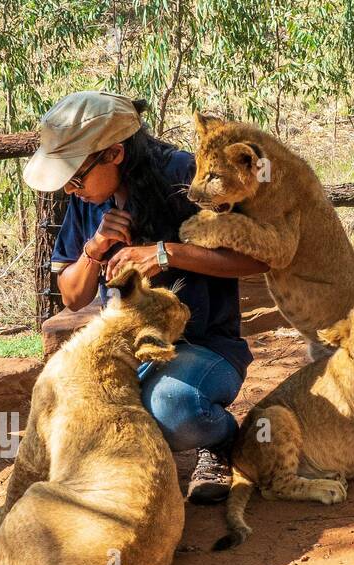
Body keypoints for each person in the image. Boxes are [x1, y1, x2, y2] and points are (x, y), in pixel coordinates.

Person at [23, 91, 269, 503]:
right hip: (129, 353)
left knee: (173, 408)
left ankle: (223, 440)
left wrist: (166, 253)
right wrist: (93, 248)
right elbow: (72, 295)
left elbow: (259, 259)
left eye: (76, 177)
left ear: (114, 154)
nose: (70, 188)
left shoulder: (187, 176)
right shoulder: (88, 201)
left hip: (207, 348)